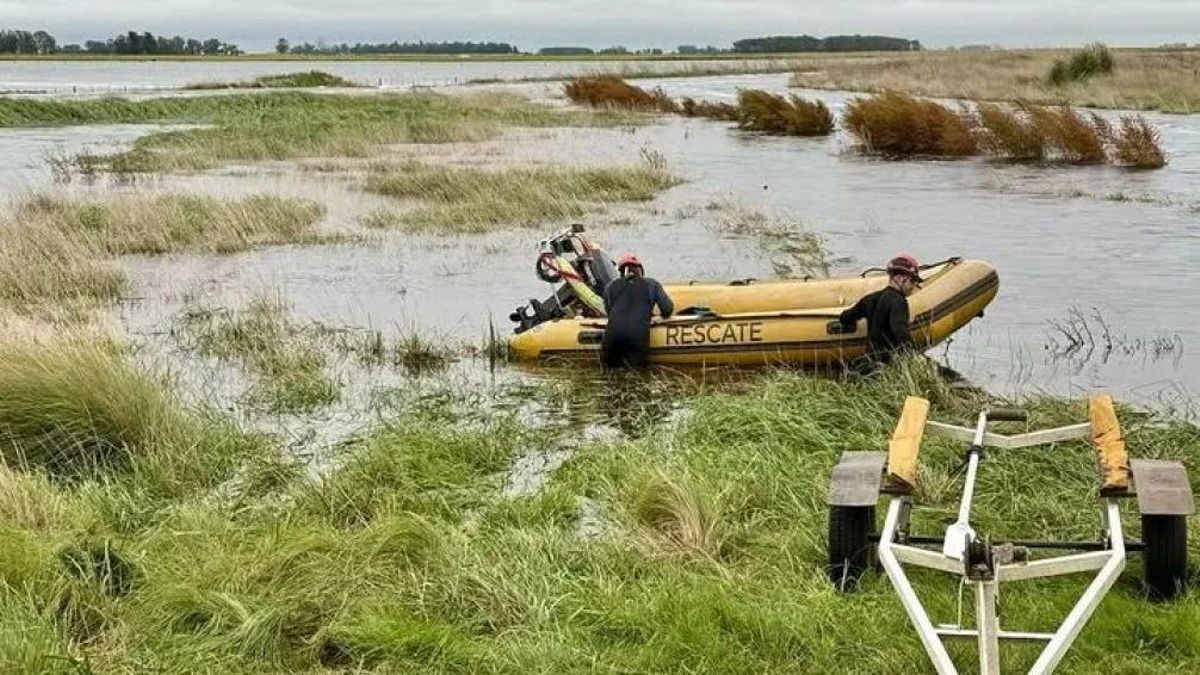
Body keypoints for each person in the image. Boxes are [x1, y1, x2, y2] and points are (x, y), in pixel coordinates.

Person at [836, 253, 923, 367]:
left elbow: (845, 318)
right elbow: (899, 331)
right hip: (887, 363)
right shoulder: (898, 302)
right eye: (912, 281)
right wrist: (916, 356)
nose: (913, 286)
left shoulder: (870, 299)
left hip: (869, 361)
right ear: (899, 278)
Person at [601, 253, 674, 368]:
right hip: (637, 336)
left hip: (612, 336)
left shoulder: (610, 287)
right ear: (640, 270)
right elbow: (667, 309)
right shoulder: (652, 284)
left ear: (620, 272)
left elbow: (610, 312)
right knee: (636, 378)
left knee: (608, 376)